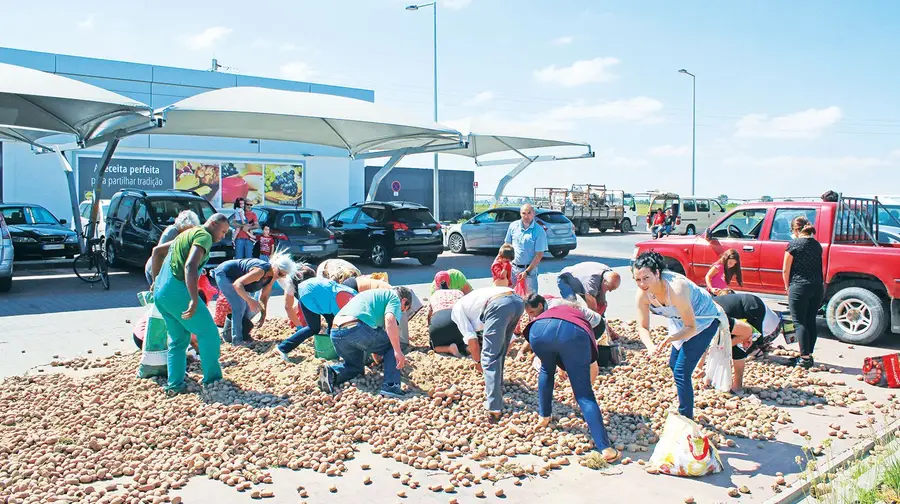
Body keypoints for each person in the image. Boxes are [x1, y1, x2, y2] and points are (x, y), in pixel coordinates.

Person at [523, 301, 621, 464]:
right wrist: (581, 385)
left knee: (547, 370)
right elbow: (592, 367)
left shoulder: (553, 309)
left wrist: (563, 366)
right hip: (572, 334)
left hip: (538, 330)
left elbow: (556, 342)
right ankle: (605, 448)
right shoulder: (582, 322)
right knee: (584, 395)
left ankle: (544, 417)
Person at [148, 213, 231, 395]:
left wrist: (155, 282)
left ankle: (174, 385)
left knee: (178, 340)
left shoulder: (186, 234)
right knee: (208, 332)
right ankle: (213, 380)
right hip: (179, 293)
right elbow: (190, 266)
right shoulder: (204, 236)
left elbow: (157, 252)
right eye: (223, 231)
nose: (223, 236)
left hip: (162, 294)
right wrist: (194, 298)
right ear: (213, 223)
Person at [633, 251, 721, 419]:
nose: (642, 284)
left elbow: (691, 327)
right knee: (674, 365)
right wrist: (651, 347)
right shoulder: (642, 295)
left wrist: (670, 339)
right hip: (679, 321)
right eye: (637, 279)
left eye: (646, 278)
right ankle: (685, 400)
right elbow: (643, 326)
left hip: (704, 321)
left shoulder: (676, 288)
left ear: (657, 273)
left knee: (681, 371)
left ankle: (686, 417)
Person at [318, 287, 414, 398]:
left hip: (336, 332)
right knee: (392, 344)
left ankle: (332, 373)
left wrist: (376, 353)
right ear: (404, 301)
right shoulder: (394, 297)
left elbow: (375, 332)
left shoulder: (375, 295)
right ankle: (391, 386)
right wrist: (397, 350)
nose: (401, 313)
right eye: (403, 309)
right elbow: (390, 320)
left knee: (355, 368)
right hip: (356, 327)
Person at [451, 286, 525, 423]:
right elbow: (510, 342)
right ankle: (498, 383)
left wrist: (479, 363)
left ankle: (494, 407)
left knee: (489, 357)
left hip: (498, 304)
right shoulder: (473, 302)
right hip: (517, 301)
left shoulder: (456, 310)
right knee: (499, 349)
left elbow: (472, 341)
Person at [212, 249, 298, 345]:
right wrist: (249, 300)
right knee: (239, 306)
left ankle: (237, 334)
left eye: (283, 275)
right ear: (274, 266)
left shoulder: (271, 277)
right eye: (280, 273)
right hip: (225, 274)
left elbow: (264, 297)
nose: (280, 276)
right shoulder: (260, 271)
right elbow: (237, 284)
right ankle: (237, 340)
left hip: (239, 280)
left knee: (252, 308)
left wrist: (263, 314)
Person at [713, 292, 784, 393]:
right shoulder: (706, 310)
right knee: (726, 345)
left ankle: (737, 386)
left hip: (769, 327)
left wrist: (721, 347)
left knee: (738, 348)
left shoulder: (715, 317)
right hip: (748, 307)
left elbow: (747, 334)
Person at [277, 276, 357, 361]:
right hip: (309, 294)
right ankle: (283, 348)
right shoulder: (343, 305)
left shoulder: (354, 295)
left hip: (320, 292)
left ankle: (331, 350)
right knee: (313, 328)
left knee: (332, 322)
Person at [522, 293, 605, 375]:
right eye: (528, 313)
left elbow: (561, 338)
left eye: (532, 312)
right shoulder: (542, 304)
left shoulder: (553, 311)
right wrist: (521, 351)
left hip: (595, 325)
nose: (531, 316)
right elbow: (535, 332)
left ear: (540, 305)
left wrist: (560, 366)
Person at [782, 215, 824, 369]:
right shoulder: (817, 245)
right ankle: (808, 355)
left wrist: (787, 287)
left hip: (799, 286)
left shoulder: (794, 245)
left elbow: (786, 269)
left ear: (795, 229)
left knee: (799, 322)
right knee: (810, 320)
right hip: (817, 286)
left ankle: (804, 358)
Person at [144, 210, 200, 285]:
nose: (189, 233)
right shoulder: (171, 233)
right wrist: (156, 281)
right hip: (156, 270)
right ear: (181, 225)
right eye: (188, 229)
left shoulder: (188, 235)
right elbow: (159, 255)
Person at [504, 204, 548, 295]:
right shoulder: (513, 226)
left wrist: (527, 272)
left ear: (534, 214)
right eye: (524, 213)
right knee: (508, 296)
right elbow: (507, 245)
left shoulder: (539, 231)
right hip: (513, 269)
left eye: (529, 213)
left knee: (530, 299)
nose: (526, 216)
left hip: (529, 272)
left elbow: (539, 254)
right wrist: (503, 263)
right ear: (520, 214)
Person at [427, 284, 466, 357]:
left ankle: (449, 348)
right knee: (463, 341)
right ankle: (464, 347)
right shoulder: (459, 292)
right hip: (456, 322)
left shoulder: (435, 295)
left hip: (438, 324)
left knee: (435, 347)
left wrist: (430, 329)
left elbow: (429, 314)